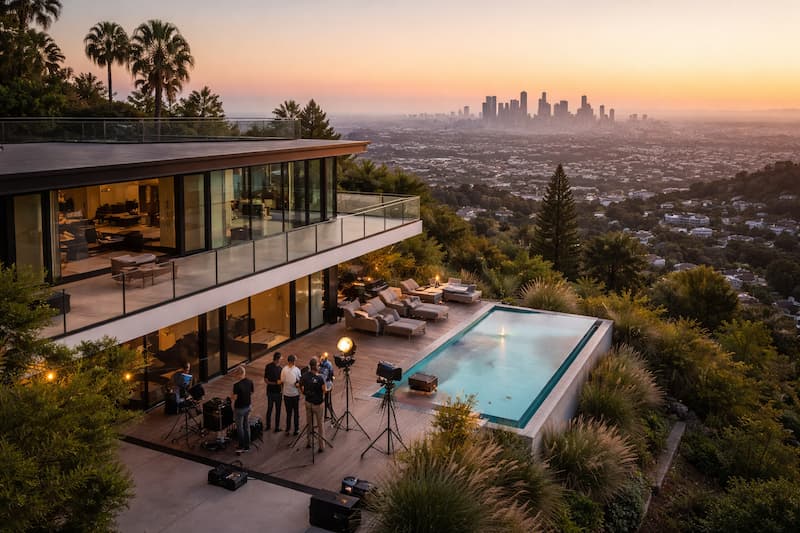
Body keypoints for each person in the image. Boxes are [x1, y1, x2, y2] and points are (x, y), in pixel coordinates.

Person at [299, 357, 326, 452]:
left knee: (309, 423)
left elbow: (300, 386)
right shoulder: (320, 378)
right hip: (318, 405)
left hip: (308, 403)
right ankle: (321, 446)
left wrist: (304, 393)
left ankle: (309, 442)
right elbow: (324, 390)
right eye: (318, 365)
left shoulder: (304, 376)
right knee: (320, 425)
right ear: (315, 366)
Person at [232, 366, 254, 453]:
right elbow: (251, 392)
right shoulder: (250, 381)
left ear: (239, 374)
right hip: (248, 407)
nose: (235, 376)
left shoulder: (236, 385)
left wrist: (231, 395)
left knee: (240, 427)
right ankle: (247, 446)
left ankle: (241, 446)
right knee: (246, 426)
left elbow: (234, 398)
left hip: (239, 409)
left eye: (235, 375)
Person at [280, 354, 302, 435]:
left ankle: (288, 429)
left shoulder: (283, 369)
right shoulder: (297, 370)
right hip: (295, 394)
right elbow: (299, 381)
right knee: (296, 413)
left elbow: (282, 381)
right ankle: (296, 429)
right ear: (293, 361)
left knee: (288, 413)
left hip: (286, 395)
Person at [263, 351, 283, 432]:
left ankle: (269, 426)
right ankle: (276, 427)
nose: (281, 359)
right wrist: (276, 383)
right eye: (281, 358)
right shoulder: (280, 369)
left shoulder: (268, 366)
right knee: (276, 410)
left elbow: (266, 380)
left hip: (271, 392)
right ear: (277, 359)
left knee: (270, 409)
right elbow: (266, 380)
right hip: (276, 392)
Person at [319, 352, 335, 422]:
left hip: (327, 384)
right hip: (322, 384)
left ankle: (328, 415)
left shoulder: (328, 364)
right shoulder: (320, 364)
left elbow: (331, 374)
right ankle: (322, 414)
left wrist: (329, 381)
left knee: (327, 401)